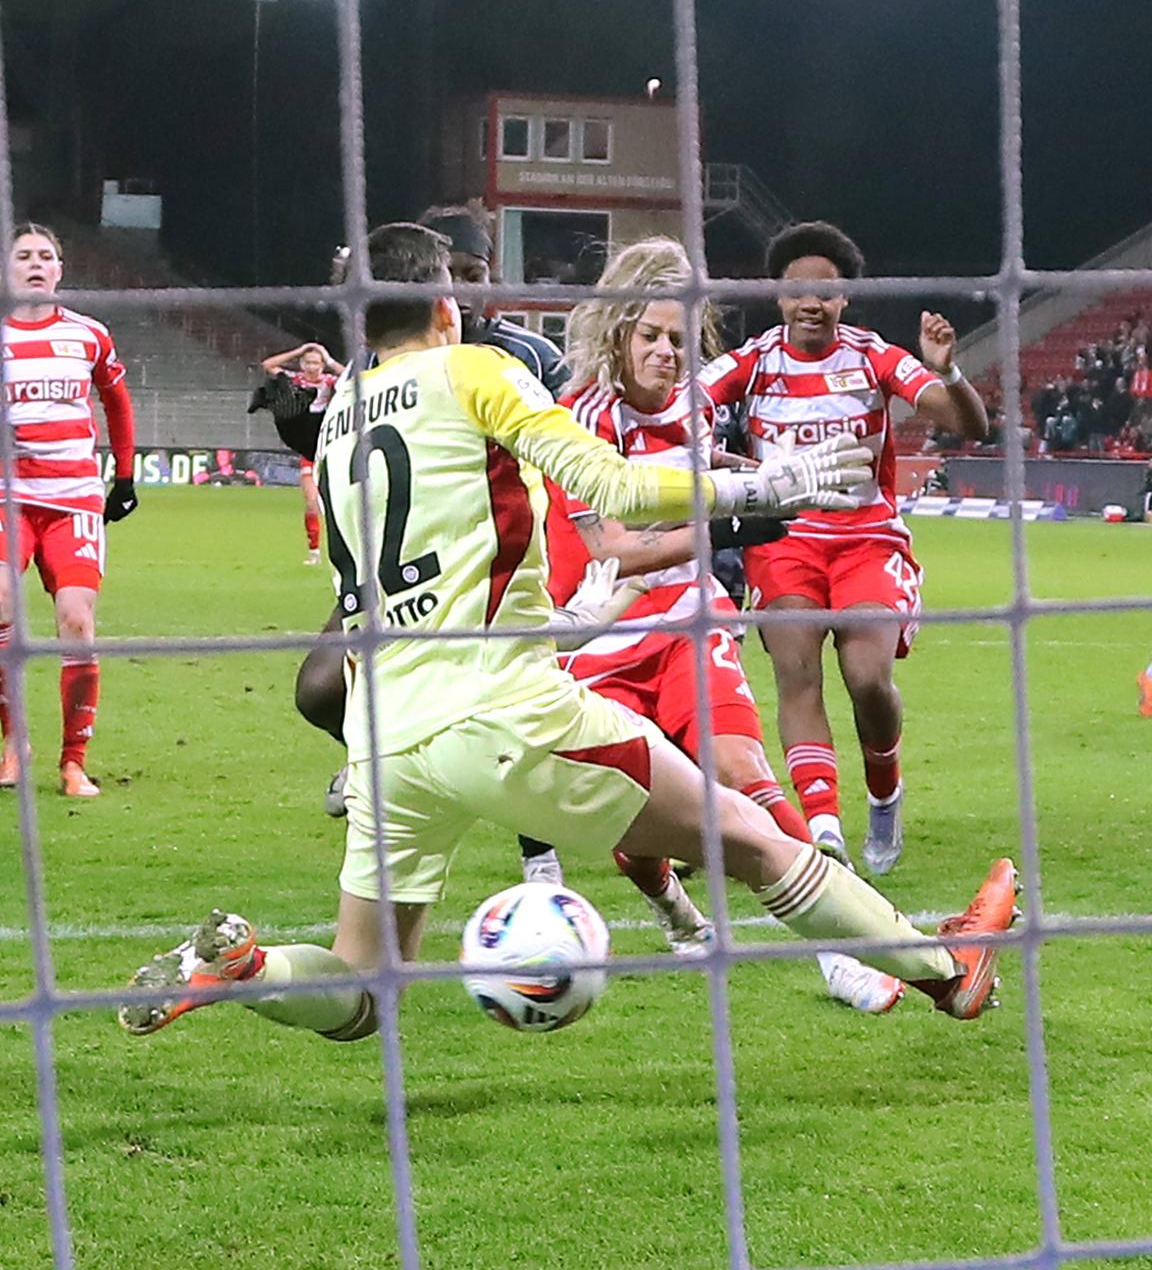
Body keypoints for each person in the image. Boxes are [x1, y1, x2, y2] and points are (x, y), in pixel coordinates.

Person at [118, 221, 1017, 1043]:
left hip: (384, 734)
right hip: (497, 706)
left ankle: (245, 971)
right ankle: (948, 971)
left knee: (360, 989)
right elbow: (616, 487)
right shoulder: (473, 370)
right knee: (748, 834)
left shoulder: (344, 414)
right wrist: (768, 485)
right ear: (445, 304)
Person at [545, 236, 904, 1012]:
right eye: (651, 336)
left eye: (680, 340)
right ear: (618, 332)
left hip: (689, 619)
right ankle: (673, 908)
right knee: (631, 820)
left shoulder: (699, 409)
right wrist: (740, 515)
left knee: (745, 773)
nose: (667, 354)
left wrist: (776, 478)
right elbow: (614, 550)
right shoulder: (579, 420)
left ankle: (842, 954)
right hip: (597, 640)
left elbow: (707, 486)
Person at [693, 221, 988, 875]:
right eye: (798, 291)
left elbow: (968, 423)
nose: (811, 304)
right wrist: (718, 455)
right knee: (797, 673)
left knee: (868, 679)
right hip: (785, 540)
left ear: (845, 298)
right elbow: (683, 408)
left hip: (866, 540)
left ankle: (885, 790)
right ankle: (824, 829)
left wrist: (948, 370)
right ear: (777, 296)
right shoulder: (752, 362)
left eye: (825, 293)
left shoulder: (873, 356)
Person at [292, 203, 567, 819]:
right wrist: (301, 432)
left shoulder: (528, 356)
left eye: (475, 275)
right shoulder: (374, 366)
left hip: (498, 557)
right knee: (319, 690)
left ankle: (539, 851)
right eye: (453, 275)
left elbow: (572, 453)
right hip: (401, 567)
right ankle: (378, 755)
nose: (463, 292)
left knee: (509, 707)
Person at [0, 223, 138, 798]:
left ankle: (73, 763)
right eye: (24, 256)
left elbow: (117, 402)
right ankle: (15, 743)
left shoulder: (88, 334)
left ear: (60, 269)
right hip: (8, 496)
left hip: (73, 497)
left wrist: (125, 476)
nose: (35, 264)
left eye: (45, 256)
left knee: (77, 624)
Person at [260, 342, 344, 564]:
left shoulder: (329, 381)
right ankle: (314, 551)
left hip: (329, 447)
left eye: (316, 363)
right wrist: (299, 350)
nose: (312, 367)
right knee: (311, 502)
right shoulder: (295, 380)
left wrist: (329, 358)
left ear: (322, 365)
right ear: (301, 364)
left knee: (338, 502)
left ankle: (345, 547)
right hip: (309, 449)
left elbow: (354, 378)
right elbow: (268, 365)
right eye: (308, 362)